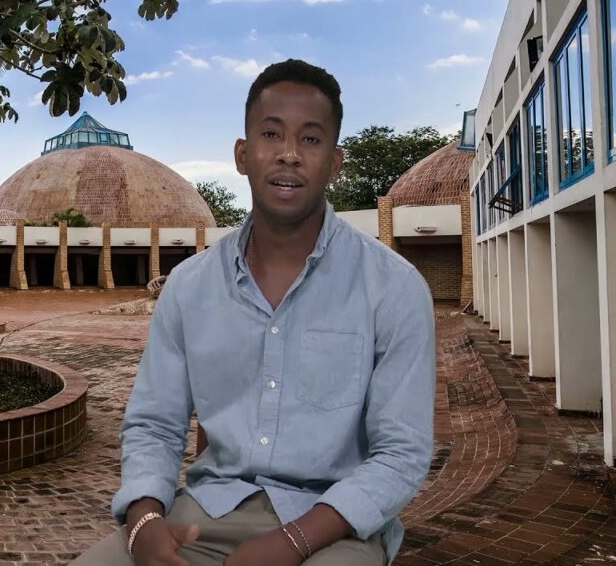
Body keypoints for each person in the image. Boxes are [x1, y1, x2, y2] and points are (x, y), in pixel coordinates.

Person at [71, 59, 436, 566]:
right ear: (243, 155)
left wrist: (291, 542)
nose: (288, 154)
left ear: (335, 162)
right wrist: (145, 521)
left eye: (310, 139)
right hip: (205, 515)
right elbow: (155, 425)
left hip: (335, 528)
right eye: (271, 134)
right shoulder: (189, 287)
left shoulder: (393, 288)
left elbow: (401, 455)